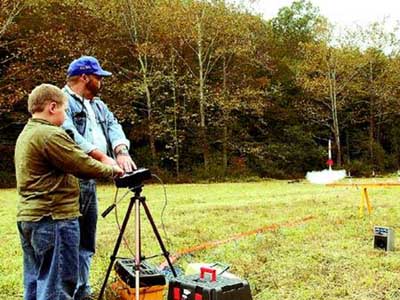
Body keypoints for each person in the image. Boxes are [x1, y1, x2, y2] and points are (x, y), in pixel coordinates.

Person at [15, 84, 124, 300]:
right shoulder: (50, 135)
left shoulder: (28, 133)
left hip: (30, 219)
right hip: (54, 219)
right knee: (57, 286)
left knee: (36, 282)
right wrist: (113, 170)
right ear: (52, 107)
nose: (65, 116)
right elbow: (81, 164)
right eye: (64, 111)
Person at [61, 56, 136, 299]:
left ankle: (83, 291)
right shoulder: (62, 103)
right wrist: (103, 160)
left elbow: (113, 126)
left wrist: (120, 151)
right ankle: (67, 292)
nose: (101, 82)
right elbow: (71, 137)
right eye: (98, 77)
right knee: (69, 242)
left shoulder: (99, 105)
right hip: (72, 181)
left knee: (86, 241)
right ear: (85, 77)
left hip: (90, 181)